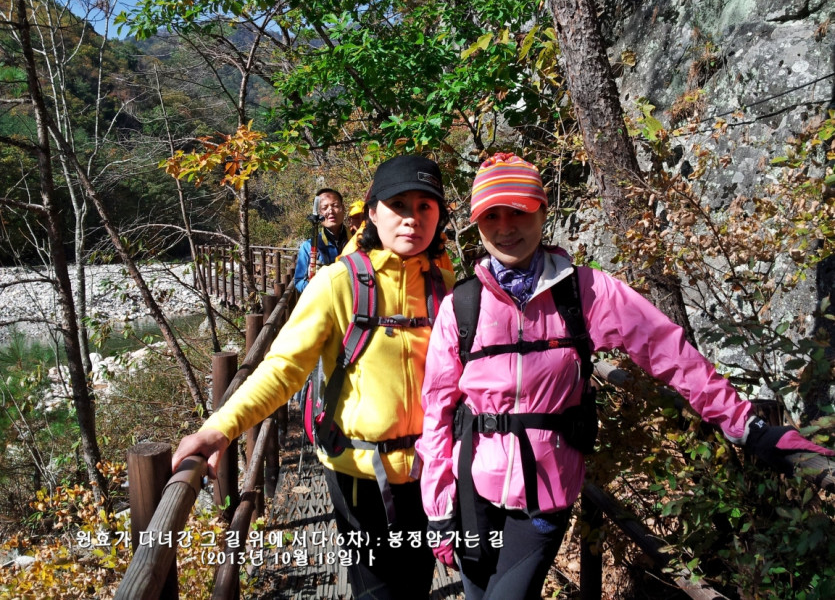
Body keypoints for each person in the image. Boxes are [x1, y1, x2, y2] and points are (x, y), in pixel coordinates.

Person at [416, 153, 833, 600]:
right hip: (472, 491)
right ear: (477, 225)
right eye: (491, 216)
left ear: (542, 210)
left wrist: (743, 424)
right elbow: (437, 411)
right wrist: (439, 508)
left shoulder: (585, 292)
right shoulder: (463, 306)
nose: (505, 227)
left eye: (518, 210)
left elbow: (668, 350)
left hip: (545, 495)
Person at [172, 155, 455, 600]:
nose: (412, 218)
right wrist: (220, 428)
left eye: (425, 206)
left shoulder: (444, 283)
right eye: (398, 204)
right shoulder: (339, 283)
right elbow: (283, 368)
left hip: (430, 471)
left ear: (439, 215)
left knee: (417, 586)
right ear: (373, 211)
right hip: (358, 474)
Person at [293, 187, 349, 293]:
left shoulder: (357, 241)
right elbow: (298, 282)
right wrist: (314, 284)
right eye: (324, 207)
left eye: (335, 205)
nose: (330, 211)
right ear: (318, 213)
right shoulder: (309, 246)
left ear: (343, 208)